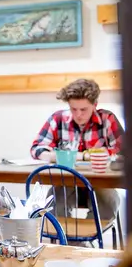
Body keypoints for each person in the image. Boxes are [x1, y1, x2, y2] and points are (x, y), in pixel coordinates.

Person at [30, 78, 124, 226]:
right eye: (74, 109)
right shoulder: (58, 119)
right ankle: (68, 243)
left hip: (99, 183)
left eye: (84, 109)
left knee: (108, 203)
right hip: (66, 181)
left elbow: (123, 152)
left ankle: (89, 241)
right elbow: (36, 149)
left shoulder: (107, 119)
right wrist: (61, 156)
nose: (78, 114)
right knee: (53, 204)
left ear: (95, 105)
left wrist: (98, 156)